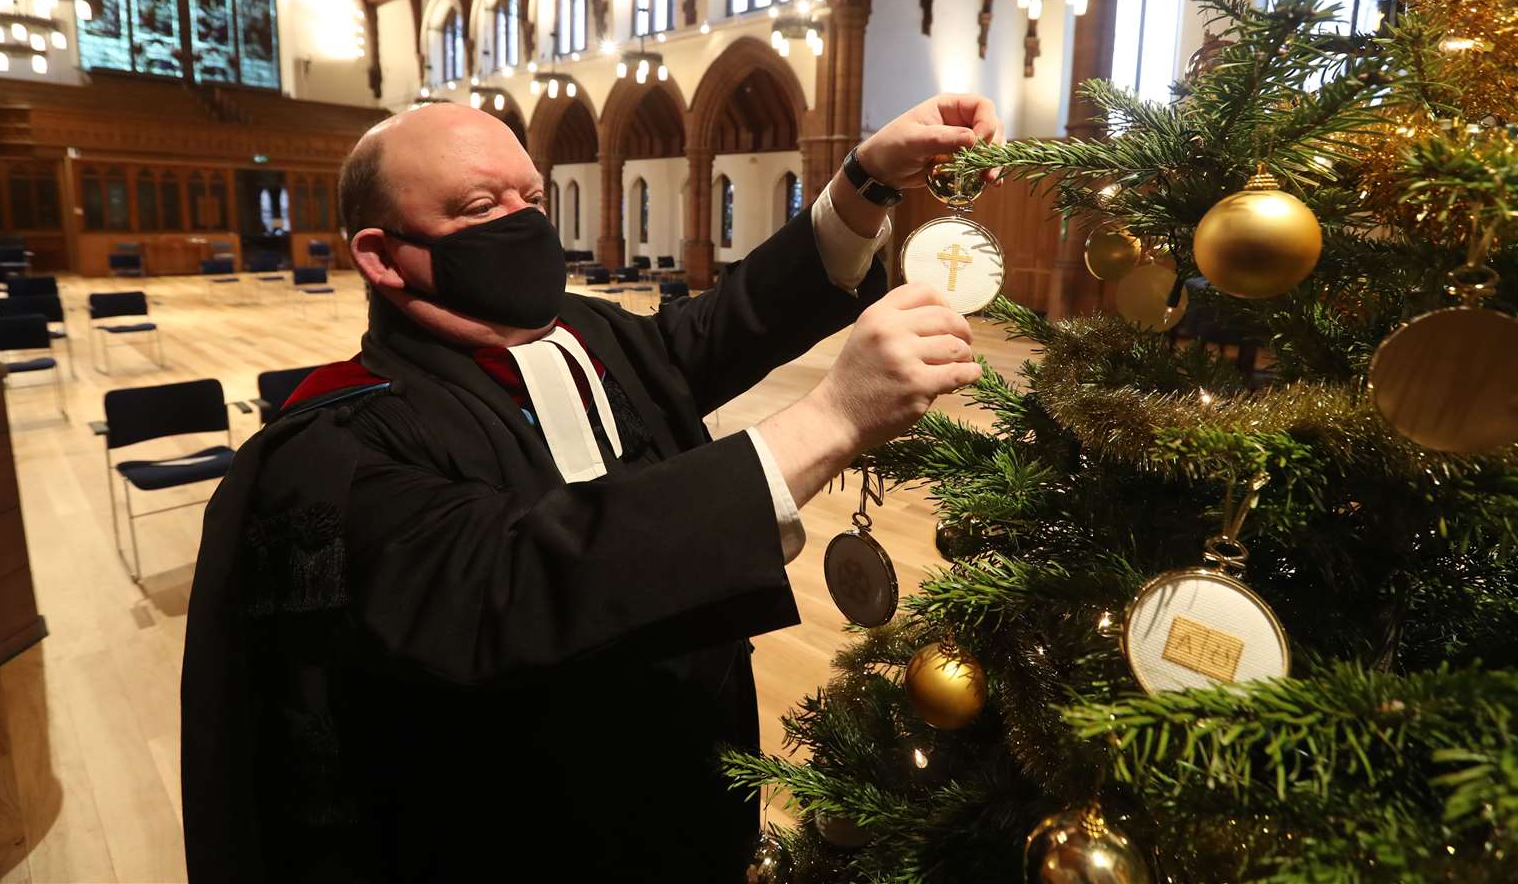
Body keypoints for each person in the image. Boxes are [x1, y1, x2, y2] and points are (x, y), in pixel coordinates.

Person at [181, 94, 1003, 882]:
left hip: (697, 786)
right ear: (382, 256)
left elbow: (735, 318)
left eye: (530, 196)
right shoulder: (336, 447)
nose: (523, 223)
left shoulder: (590, 334)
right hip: (538, 835)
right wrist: (830, 419)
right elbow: (514, 580)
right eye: (478, 208)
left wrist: (866, 179)